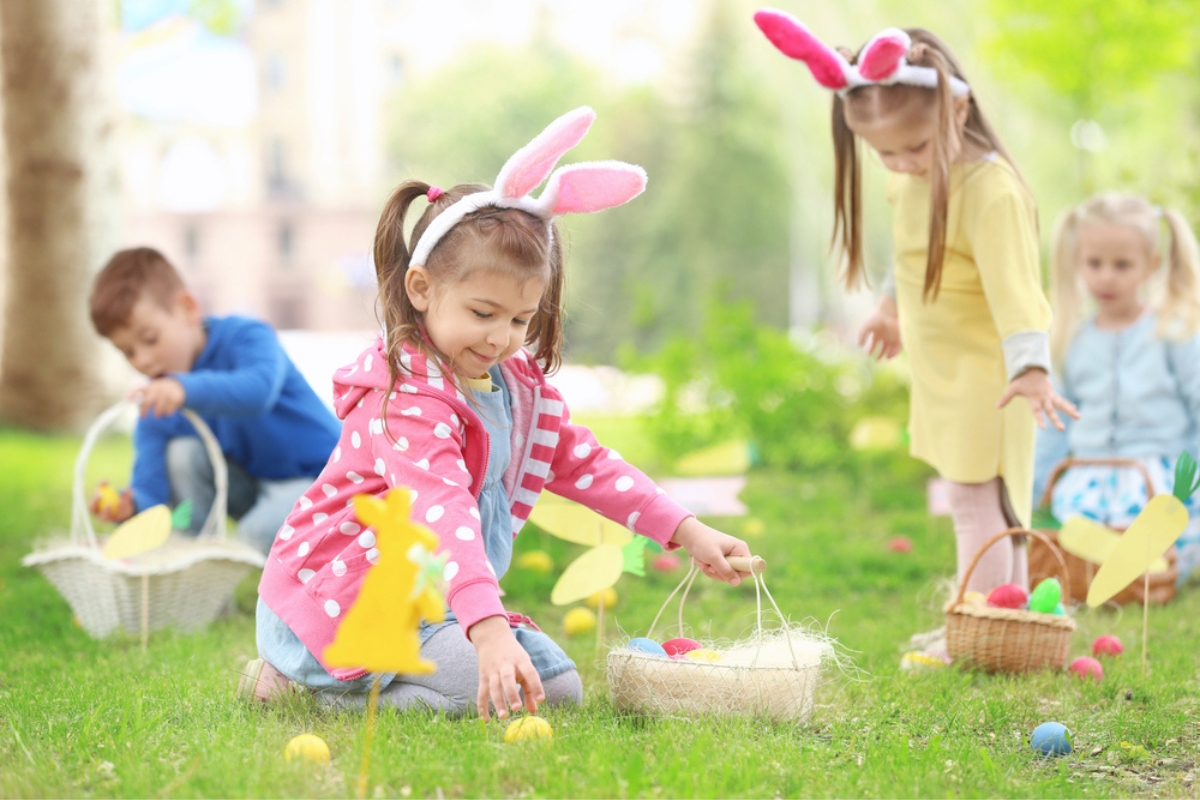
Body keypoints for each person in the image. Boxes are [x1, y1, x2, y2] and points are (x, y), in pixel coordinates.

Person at [240, 107, 751, 718]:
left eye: (520, 319)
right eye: (483, 313)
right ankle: (298, 686)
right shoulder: (405, 399)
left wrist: (689, 532)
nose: (501, 337)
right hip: (345, 600)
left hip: (438, 599)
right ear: (422, 288)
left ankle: (438, 659)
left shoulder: (514, 387)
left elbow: (588, 464)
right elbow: (440, 510)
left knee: (555, 691)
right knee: (495, 695)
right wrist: (488, 631)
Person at [754, 15, 1078, 612]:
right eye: (885, 154)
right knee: (978, 500)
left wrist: (1031, 366)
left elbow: (1017, 289)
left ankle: (978, 618)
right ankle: (998, 615)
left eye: (914, 147)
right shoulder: (914, 178)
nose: (902, 164)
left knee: (980, 502)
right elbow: (911, 254)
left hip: (990, 374)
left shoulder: (989, 190)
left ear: (957, 111)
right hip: (945, 374)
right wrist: (888, 310)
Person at [87, 247, 341, 555]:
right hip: (254, 488)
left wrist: (184, 389)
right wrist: (131, 506)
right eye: (127, 351)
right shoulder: (158, 403)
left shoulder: (247, 336)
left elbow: (258, 390)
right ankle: (195, 561)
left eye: (150, 339)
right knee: (181, 454)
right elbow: (153, 492)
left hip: (326, 480)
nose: (142, 360)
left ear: (188, 309)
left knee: (255, 534)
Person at [1034, 192, 1200, 584]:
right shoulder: (1070, 338)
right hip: (1088, 478)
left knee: (1150, 532)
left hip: (1155, 478)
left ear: (1151, 266)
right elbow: (1055, 423)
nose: (1106, 276)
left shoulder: (1173, 330)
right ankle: (1104, 569)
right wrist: (1035, 493)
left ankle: (1149, 569)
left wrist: (1189, 482)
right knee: (1072, 530)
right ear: (1078, 262)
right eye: (1094, 263)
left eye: (1122, 265)